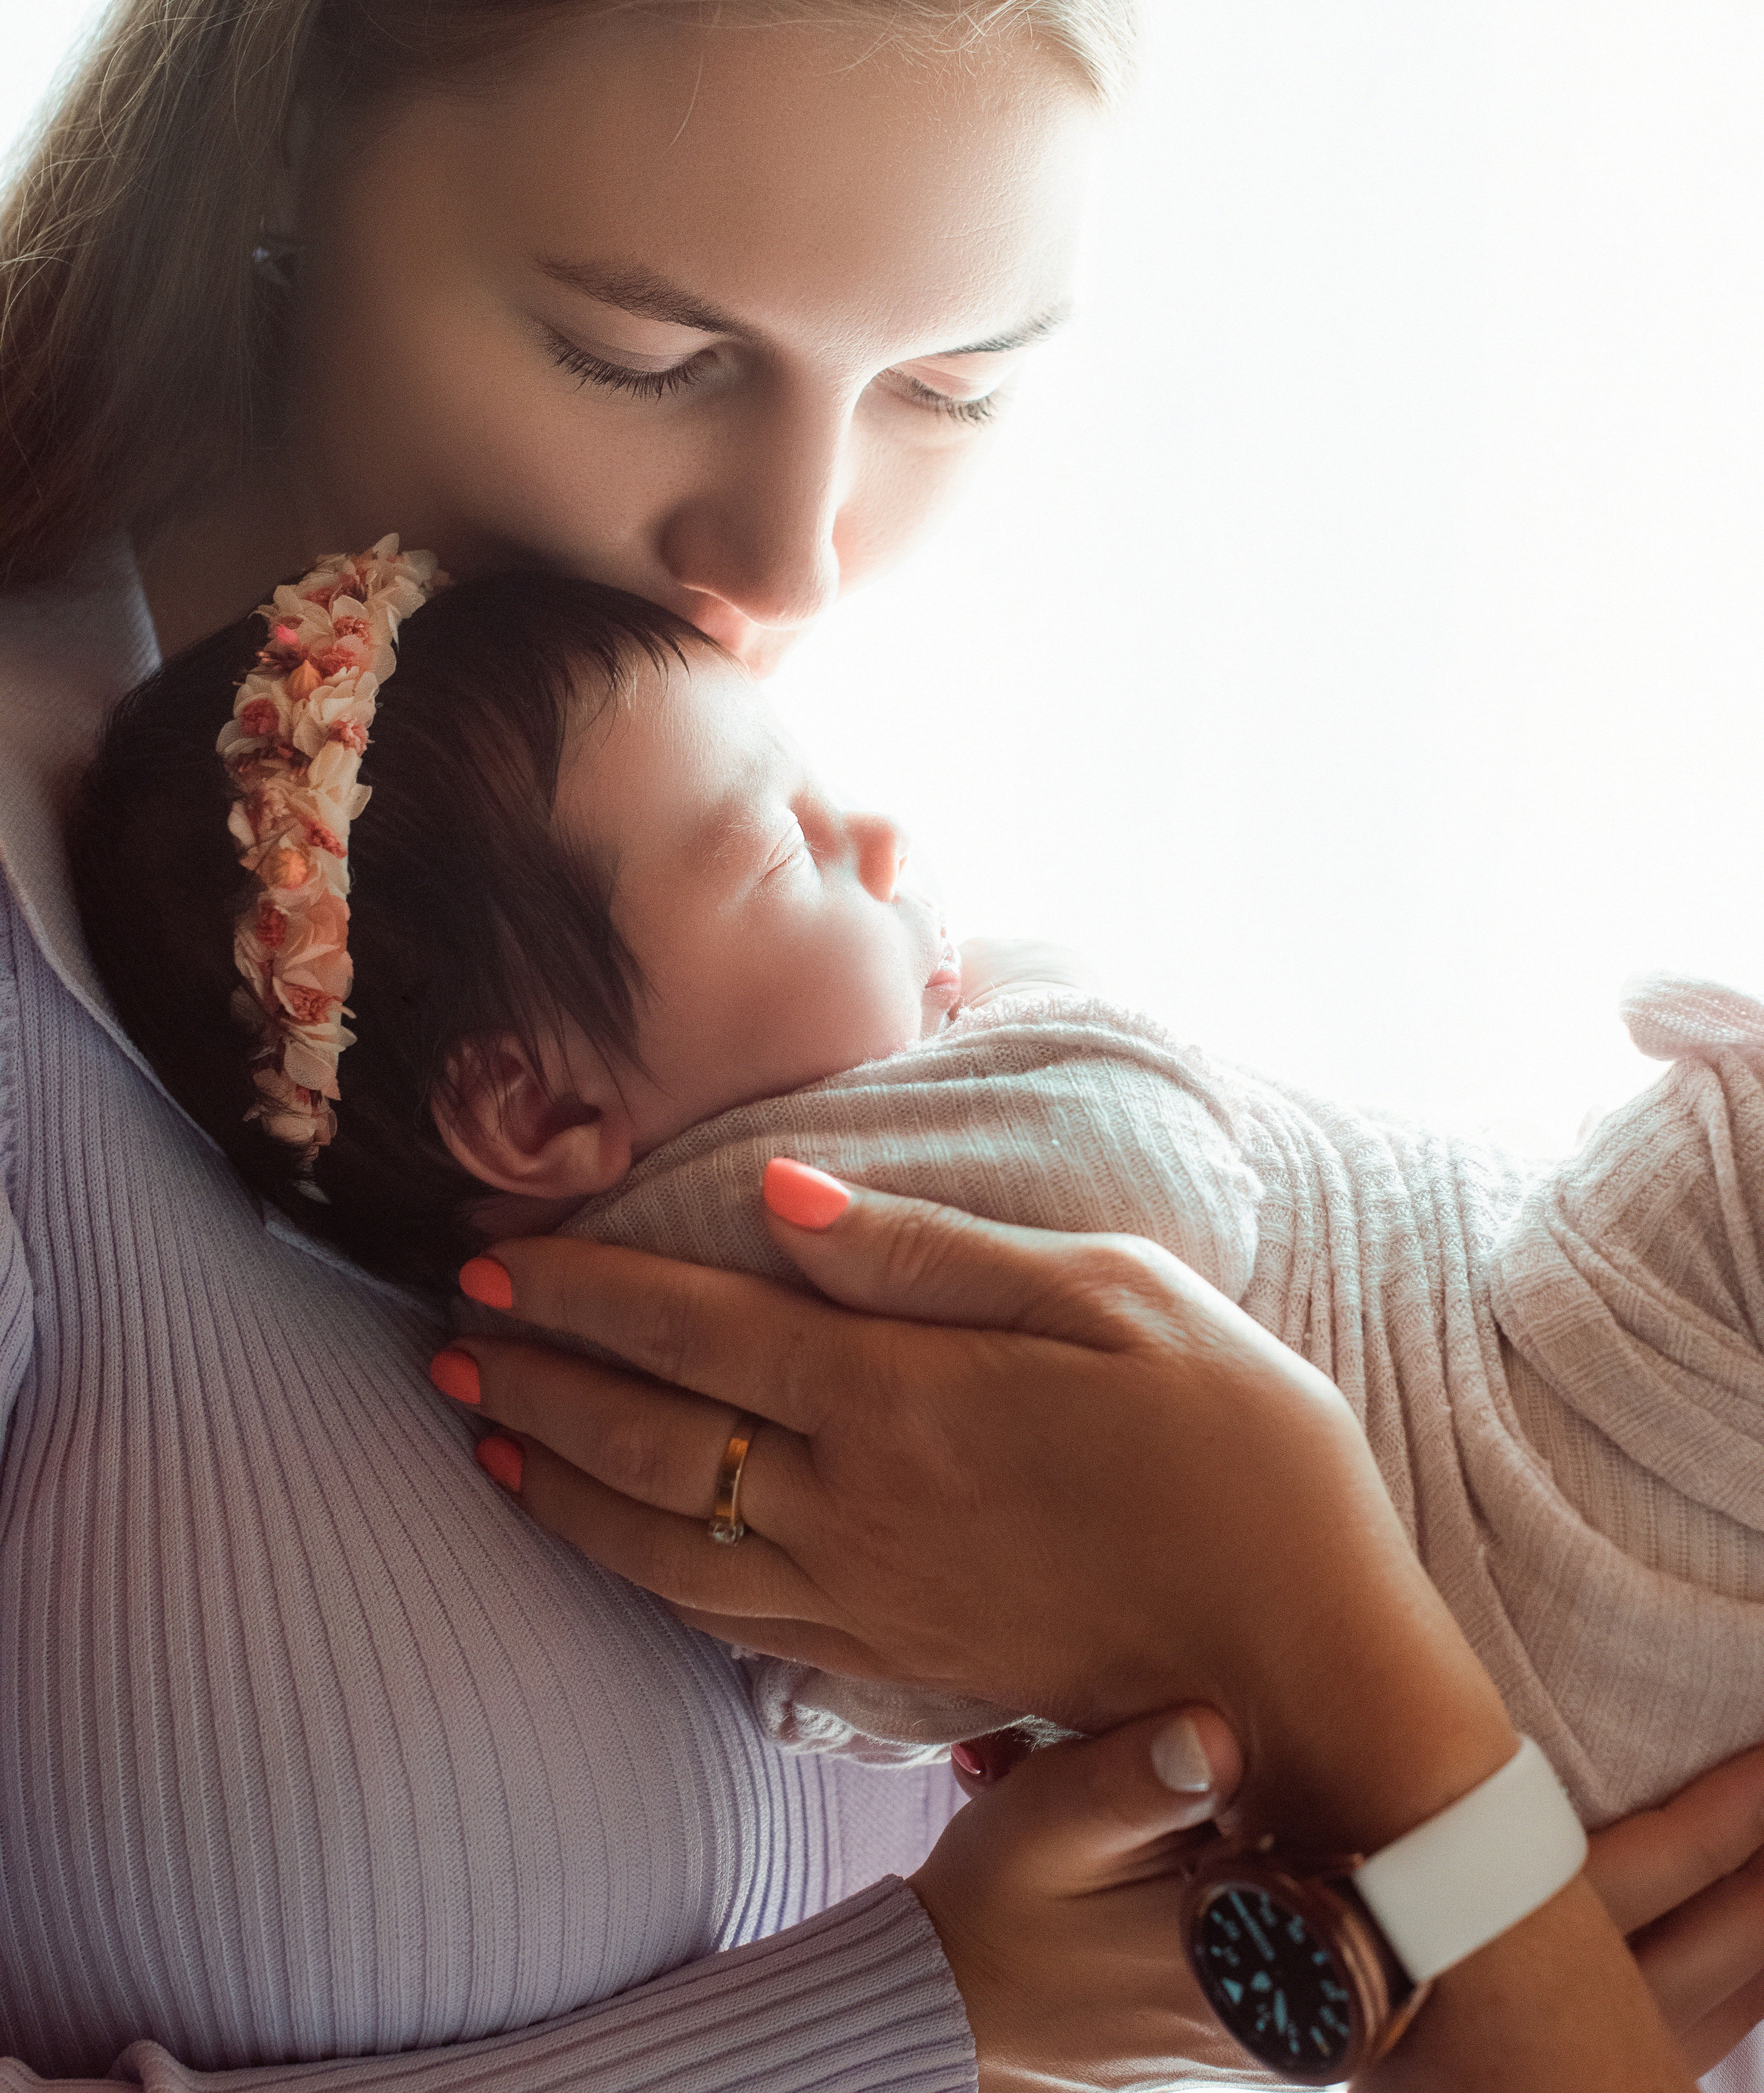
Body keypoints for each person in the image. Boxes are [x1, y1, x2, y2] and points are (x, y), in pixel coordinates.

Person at [0, 0, 1760, 2087]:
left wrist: (1359, 1902)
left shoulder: (725, 902)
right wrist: (939, 1993)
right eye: (643, 351)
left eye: (948, 390)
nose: (793, 550)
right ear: (286, 137)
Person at [70, 547, 1764, 1842]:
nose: (879, 838)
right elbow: (1156, 1178)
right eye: (779, 845)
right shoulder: (762, 1225)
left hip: (1540, 1732)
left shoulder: (633, 1356)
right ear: (532, 1108)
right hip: (1564, 1413)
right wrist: (1019, 991)